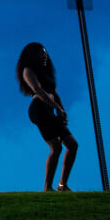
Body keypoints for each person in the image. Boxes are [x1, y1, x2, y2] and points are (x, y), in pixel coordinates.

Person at [17, 42, 78, 191]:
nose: (44, 56)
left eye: (45, 53)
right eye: (40, 54)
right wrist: (56, 107)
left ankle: (61, 185)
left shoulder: (47, 72)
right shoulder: (28, 70)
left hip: (49, 109)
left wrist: (61, 110)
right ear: (32, 56)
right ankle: (48, 187)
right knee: (58, 146)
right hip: (39, 109)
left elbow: (54, 93)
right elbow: (38, 90)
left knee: (70, 145)